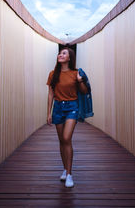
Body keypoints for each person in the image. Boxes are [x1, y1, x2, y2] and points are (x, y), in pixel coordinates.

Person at [46, 47, 88, 188]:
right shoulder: (53, 74)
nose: (60, 55)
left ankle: (69, 174)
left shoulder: (76, 73)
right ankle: (65, 168)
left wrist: (80, 80)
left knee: (66, 138)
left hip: (72, 107)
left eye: (64, 53)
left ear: (70, 58)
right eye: (59, 53)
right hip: (58, 108)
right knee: (61, 141)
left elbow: (84, 91)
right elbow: (51, 94)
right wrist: (48, 113)